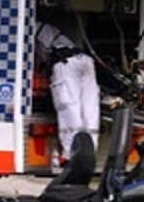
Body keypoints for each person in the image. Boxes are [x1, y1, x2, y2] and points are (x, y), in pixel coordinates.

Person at [36, 21, 100, 159]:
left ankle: (72, 152)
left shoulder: (31, 28)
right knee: (89, 107)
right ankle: (91, 149)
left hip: (66, 64)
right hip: (84, 60)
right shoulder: (49, 28)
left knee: (69, 106)